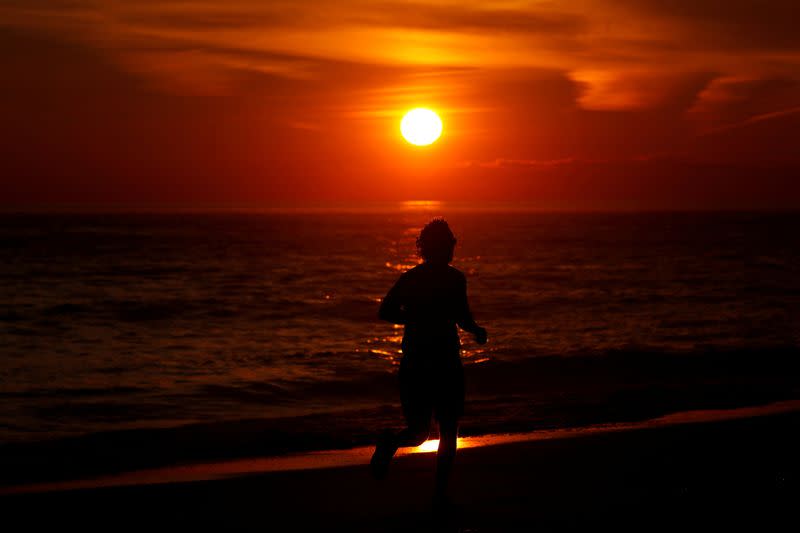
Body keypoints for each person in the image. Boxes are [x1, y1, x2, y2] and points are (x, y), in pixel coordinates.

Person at [370, 217, 487, 509]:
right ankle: (392, 446)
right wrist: (417, 317)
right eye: (447, 244)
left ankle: (438, 492)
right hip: (430, 362)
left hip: (431, 361)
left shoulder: (446, 278)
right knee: (428, 432)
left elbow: (462, 316)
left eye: (451, 244)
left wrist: (475, 330)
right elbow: (386, 311)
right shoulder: (418, 278)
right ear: (432, 247)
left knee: (441, 430)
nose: (450, 249)